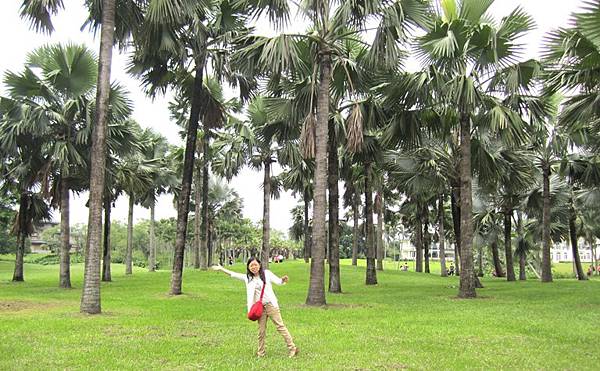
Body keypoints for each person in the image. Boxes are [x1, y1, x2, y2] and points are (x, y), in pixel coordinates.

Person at [211, 257, 299, 358]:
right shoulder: (248, 278)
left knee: (280, 326)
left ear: (259, 265)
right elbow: (233, 274)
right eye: (251, 265)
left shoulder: (266, 274)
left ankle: (292, 348)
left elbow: (278, 282)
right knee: (261, 331)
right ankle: (261, 353)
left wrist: (283, 280)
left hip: (270, 305)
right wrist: (221, 269)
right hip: (259, 308)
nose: (254, 267)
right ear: (248, 267)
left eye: (255, 265)